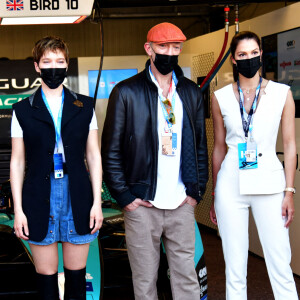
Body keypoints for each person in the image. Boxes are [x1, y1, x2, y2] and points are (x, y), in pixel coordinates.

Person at [101, 22, 208, 300]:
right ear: (149, 49)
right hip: (142, 204)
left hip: (181, 202)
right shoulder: (126, 92)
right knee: (145, 280)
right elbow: (110, 150)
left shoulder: (191, 92)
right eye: (163, 47)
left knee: (186, 278)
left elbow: (199, 146)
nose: (170, 53)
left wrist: (197, 191)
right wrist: (125, 197)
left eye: (176, 47)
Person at [10, 36, 103, 300]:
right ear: (37, 66)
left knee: (77, 279)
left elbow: (93, 155)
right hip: (39, 195)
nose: (54, 67)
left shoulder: (85, 106)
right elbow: (17, 161)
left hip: (78, 194)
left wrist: (97, 202)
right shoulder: (22, 110)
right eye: (47, 61)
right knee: (47, 280)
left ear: (67, 65)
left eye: (60, 61)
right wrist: (18, 210)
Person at [210, 31, 299, 299]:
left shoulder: (282, 93)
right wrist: (215, 193)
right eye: (242, 54)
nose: (249, 58)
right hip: (230, 183)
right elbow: (218, 147)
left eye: (253, 52)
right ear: (234, 61)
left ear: (261, 54)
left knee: (279, 260)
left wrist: (289, 191)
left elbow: (291, 144)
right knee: (234, 266)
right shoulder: (220, 96)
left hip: (270, 183)